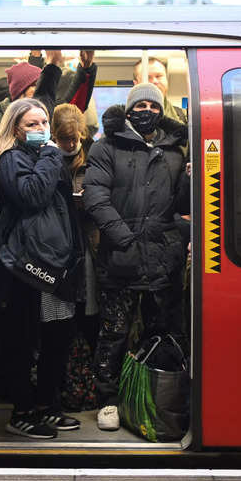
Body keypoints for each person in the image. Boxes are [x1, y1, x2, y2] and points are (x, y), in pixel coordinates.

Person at [0, 98, 84, 439]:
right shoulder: (9, 158)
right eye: (32, 124)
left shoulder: (38, 157)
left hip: (53, 262)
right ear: (16, 128)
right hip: (22, 268)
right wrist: (51, 155)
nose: (41, 129)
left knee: (56, 336)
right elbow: (31, 194)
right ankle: (22, 412)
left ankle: (48, 406)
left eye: (43, 122)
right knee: (21, 340)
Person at [83, 83, 189, 431]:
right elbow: (96, 197)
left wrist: (177, 235)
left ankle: (150, 396)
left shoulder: (176, 152)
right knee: (114, 333)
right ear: (128, 110)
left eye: (153, 105)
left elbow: (182, 207)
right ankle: (108, 399)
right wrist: (125, 238)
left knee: (159, 332)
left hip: (163, 260)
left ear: (162, 110)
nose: (146, 111)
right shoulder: (105, 147)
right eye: (139, 105)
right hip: (122, 258)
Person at [0, 49, 96, 160]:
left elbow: (75, 103)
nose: (38, 88)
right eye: (34, 85)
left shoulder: (45, 113)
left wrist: (86, 69)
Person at [51, 103, 99, 349]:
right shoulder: (47, 159)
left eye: (75, 139)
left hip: (87, 236)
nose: (70, 145)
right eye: (64, 140)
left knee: (88, 300)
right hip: (58, 240)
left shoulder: (94, 156)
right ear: (54, 136)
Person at [132, 57, 187, 125]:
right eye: (148, 77)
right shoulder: (126, 120)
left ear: (166, 80)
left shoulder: (186, 116)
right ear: (136, 84)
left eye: (159, 76)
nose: (155, 81)